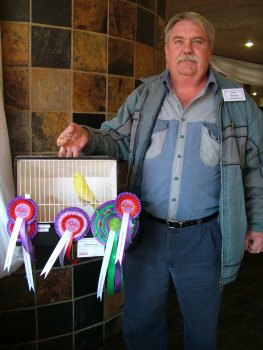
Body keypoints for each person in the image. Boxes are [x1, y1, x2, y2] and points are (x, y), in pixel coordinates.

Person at [57, 12, 263, 350]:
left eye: (197, 42)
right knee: (141, 324)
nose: (187, 50)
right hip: (145, 234)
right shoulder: (144, 96)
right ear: (166, 50)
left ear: (209, 49)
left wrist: (257, 223)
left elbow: (256, 167)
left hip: (204, 237)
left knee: (201, 329)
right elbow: (116, 139)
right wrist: (87, 137)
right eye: (178, 42)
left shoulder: (236, 102)